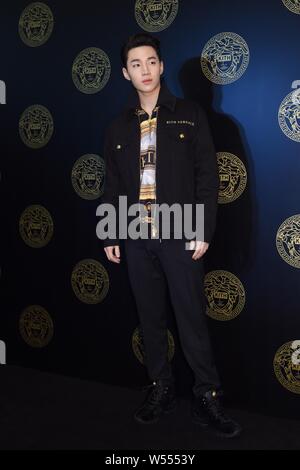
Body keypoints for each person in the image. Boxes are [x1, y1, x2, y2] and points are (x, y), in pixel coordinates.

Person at [101, 32, 242, 438]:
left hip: (180, 230)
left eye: (151, 62)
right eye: (135, 64)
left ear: (161, 67)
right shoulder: (116, 127)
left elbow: (207, 176)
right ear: (126, 74)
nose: (144, 70)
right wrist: (110, 231)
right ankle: (160, 387)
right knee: (149, 319)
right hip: (133, 233)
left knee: (192, 319)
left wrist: (201, 229)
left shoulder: (190, 114)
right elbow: (111, 183)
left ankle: (207, 397)